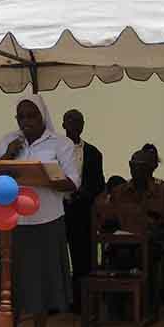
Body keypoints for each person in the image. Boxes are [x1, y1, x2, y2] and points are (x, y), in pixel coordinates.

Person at [0, 95, 79, 327]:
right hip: (13, 222)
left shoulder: (60, 143)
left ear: (43, 116)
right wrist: (8, 156)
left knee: (42, 283)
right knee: (13, 281)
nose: (26, 121)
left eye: (31, 115)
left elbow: (74, 183)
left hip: (47, 221)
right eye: (21, 116)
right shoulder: (8, 140)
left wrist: (45, 177)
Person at [98, 149, 164, 310]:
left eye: (141, 166)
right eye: (133, 165)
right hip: (123, 241)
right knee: (120, 254)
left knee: (143, 255)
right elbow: (108, 222)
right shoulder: (119, 191)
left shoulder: (161, 190)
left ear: (151, 168)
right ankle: (119, 305)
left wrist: (152, 234)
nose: (136, 169)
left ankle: (144, 306)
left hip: (151, 242)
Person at [62, 109, 105, 312]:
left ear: (83, 125)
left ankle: (81, 302)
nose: (74, 125)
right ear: (63, 125)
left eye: (78, 121)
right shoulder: (53, 151)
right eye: (70, 121)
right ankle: (56, 300)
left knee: (82, 257)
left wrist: (82, 194)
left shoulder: (94, 153)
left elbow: (98, 184)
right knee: (57, 256)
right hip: (58, 210)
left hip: (81, 211)